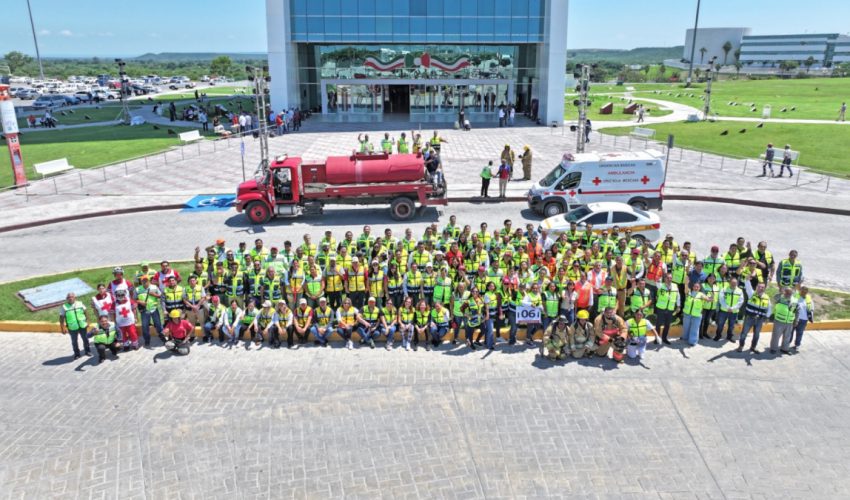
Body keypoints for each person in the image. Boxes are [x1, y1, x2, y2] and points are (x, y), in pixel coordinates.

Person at [738, 281, 771, 354]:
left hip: (759, 320)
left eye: (762, 287)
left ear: (764, 288)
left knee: (756, 335)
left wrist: (767, 317)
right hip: (749, 318)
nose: (760, 288)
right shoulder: (751, 294)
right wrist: (747, 279)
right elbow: (748, 286)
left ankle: (753, 347)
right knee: (744, 333)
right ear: (756, 287)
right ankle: (741, 346)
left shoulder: (766, 297)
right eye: (759, 287)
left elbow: (769, 308)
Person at [59, 292, 91, 359]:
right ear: (66, 299)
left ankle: (87, 351)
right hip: (72, 327)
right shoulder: (64, 307)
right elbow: (61, 318)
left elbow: (86, 312)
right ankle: (77, 354)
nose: (70, 298)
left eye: (72, 297)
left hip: (82, 325)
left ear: (75, 297)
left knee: (85, 339)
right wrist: (62, 328)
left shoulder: (80, 303)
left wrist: (88, 321)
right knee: (74, 341)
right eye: (68, 297)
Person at [714, 277, 744, 342]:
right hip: (724, 311)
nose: (734, 284)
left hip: (734, 311)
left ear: (737, 283)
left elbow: (740, 301)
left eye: (735, 283)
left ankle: (729, 337)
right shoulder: (724, 289)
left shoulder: (740, 291)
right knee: (720, 324)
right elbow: (721, 300)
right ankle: (718, 335)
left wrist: (732, 308)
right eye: (732, 283)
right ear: (729, 283)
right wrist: (727, 307)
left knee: (731, 325)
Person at [770, 287, 798, 355]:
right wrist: (780, 293)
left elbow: (796, 311)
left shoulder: (795, 300)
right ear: (784, 292)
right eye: (787, 292)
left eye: (789, 293)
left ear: (792, 293)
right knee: (776, 336)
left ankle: (784, 349)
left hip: (789, 322)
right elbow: (774, 298)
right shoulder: (780, 298)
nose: (788, 294)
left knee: (787, 336)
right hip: (779, 320)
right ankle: (773, 348)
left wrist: (796, 320)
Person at [654, 273, 680, 345]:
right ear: (664, 279)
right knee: (658, 324)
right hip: (661, 308)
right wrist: (659, 277)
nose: (669, 279)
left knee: (667, 324)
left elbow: (678, 297)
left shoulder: (675, 286)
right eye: (667, 278)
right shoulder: (660, 285)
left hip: (670, 308)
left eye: (670, 278)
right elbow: (656, 280)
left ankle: (664, 338)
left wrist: (678, 306)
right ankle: (657, 338)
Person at [792, 286, 814, 350]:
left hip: (804, 319)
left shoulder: (808, 298)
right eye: (802, 291)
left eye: (805, 291)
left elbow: (811, 308)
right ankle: (787, 344)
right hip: (795, 318)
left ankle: (797, 345)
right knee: (790, 332)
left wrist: (810, 317)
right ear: (800, 290)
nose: (803, 292)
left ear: (807, 292)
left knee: (800, 333)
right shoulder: (796, 296)